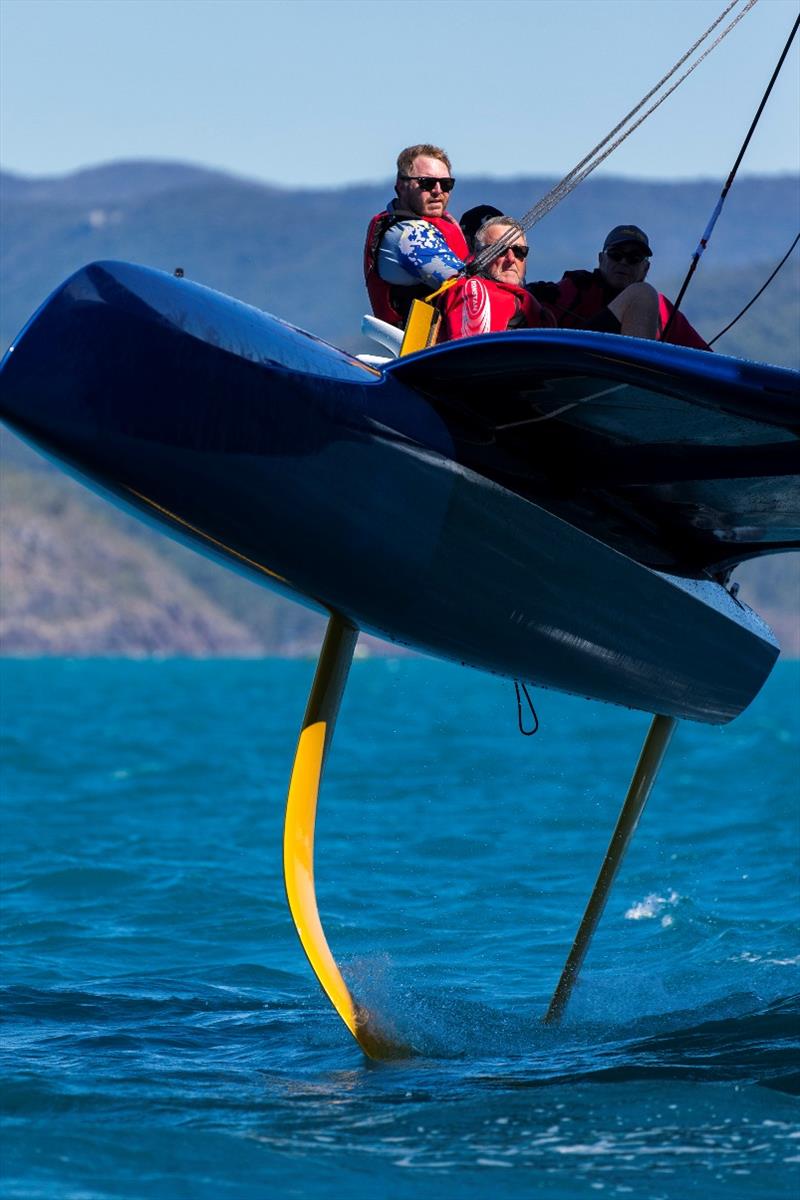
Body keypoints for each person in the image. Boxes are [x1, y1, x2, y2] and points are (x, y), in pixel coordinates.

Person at [528, 224, 710, 349]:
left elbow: (704, 356)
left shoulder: (660, 307)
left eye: (634, 258)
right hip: (575, 364)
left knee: (644, 295)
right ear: (601, 259)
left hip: (617, 385)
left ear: (646, 268)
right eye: (616, 255)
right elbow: (534, 315)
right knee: (643, 294)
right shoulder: (577, 287)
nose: (624, 262)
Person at [364, 144, 469, 327]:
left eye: (446, 184)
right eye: (426, 183)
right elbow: (468, 289)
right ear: (401, 186)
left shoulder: (436, 226)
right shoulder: (410, 234)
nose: (437, 191)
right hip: (428, 349)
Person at [438, 216, 555, 341]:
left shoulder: (537, 306)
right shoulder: (477, 290)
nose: (511, 258)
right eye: (499, 250)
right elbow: (474, 353)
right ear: (479, 256)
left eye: (519, 251)